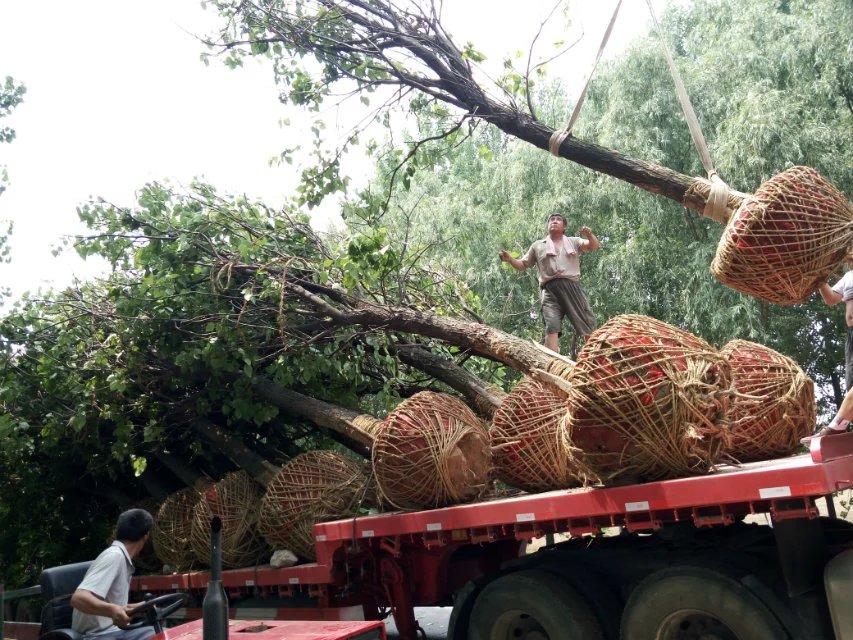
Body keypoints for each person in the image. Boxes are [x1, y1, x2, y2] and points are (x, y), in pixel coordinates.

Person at [499, 213, 600, 354]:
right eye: (552, 220)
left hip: (571, 287)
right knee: (551, 327)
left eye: (558, 220)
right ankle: (551, 363)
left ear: (564, 226)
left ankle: (596, 358)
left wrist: (589, 235)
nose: (554, 221)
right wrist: (510, 259)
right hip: (549, 290)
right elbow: (523, 264)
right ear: (548, 226)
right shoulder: (538, 245)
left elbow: (593, 246)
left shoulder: (574, 241)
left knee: (585, 323)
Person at [71, 508, 156, 640]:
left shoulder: (121, 558)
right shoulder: (114, 557)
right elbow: (78, 598)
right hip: (97, 636)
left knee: (159, 632)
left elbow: (112, 607)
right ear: (146, 536)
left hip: (112, 633)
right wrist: (113, 610)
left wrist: (138, 607)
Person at [817, 255, 853, 393]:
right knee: (851, 383)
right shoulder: (849, 276)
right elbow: (831, 299)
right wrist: (820, 279)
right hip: (851, 334)